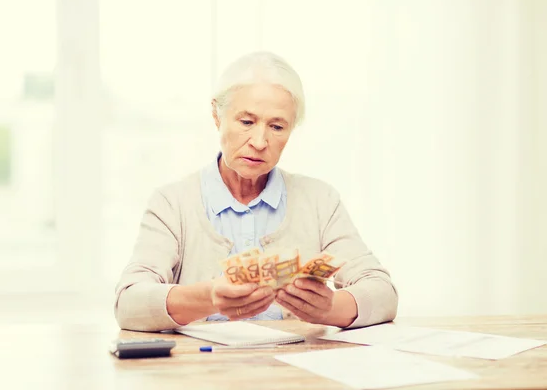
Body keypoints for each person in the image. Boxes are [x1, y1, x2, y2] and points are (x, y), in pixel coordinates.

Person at [114, 51, 398, 332]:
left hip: (295, 373)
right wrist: (209, 297)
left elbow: (383, 293)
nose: (260, 141)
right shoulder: (172, 203)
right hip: (202, 372)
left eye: (276, 126)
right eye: (247, 122)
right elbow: (128, 304)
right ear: (217, 115)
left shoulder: (320, 201)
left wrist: (330, 309)